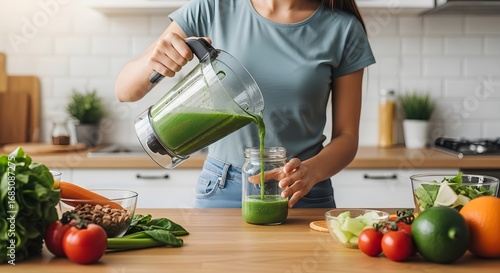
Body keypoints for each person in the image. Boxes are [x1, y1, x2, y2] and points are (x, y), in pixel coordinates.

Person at [115, 0, 375, 209]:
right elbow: (124, 90)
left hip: (302, 191)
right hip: (222, 187)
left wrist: (311, 172)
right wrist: (156, 60)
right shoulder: (212, 8)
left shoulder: (343, 30)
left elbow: (347, 137)